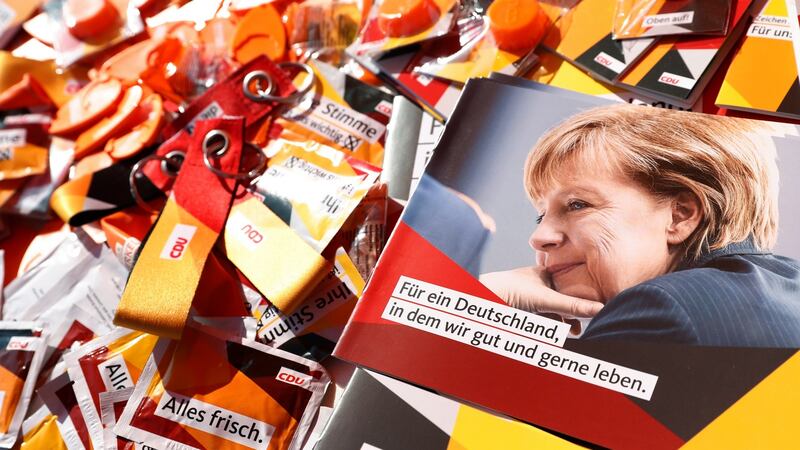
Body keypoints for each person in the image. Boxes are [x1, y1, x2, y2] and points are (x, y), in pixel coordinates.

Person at [481, 104, 800, 347]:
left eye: (578, 204)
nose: (539, 238)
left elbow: (523, 434)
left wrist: (480, 301)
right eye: (541, 215)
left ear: (680, 215)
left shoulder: (659, 310)